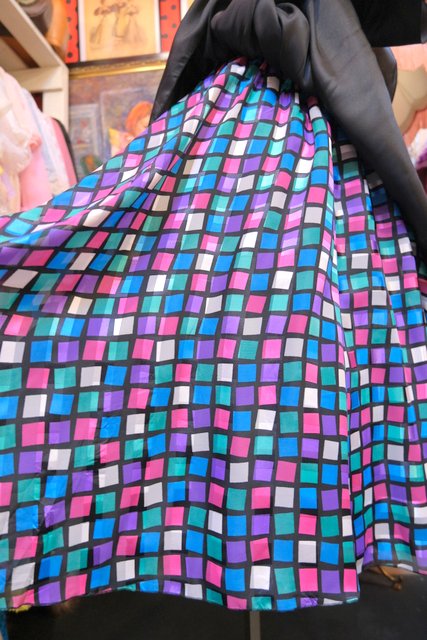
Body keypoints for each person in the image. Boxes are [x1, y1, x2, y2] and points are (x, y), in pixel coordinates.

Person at [0, 0, 426, 616]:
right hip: (280, 130)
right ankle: (275, 538)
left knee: (252, 364)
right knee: (277, 367)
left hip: (261, 126)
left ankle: (249, 536)